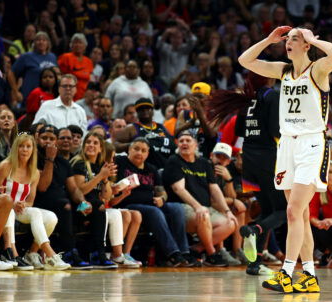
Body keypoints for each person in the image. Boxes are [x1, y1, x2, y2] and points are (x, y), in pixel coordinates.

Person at [238, 25, 332, 293]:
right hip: (286, 145)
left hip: (311, 143)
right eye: (289, 39)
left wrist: (312, 39)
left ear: (306, 45)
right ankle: (309, 275)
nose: (290, 42)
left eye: (295, 39)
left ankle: (286, 273)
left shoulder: (318, 69)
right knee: (302, 215)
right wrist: (268, 39)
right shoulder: (282, 71)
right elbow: (245, 60)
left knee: (293, 211)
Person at [206, 71, 287, 275]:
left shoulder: (247, 100)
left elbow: (241, 130)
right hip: (268, 159)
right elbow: (276, 130)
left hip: (248, 161)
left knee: (267, 212)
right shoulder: (273, 96)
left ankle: (254, 263)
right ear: (268, 78)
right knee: (283, 210)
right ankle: (255, 230)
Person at [114, 138, 196, 267]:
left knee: (177, 208)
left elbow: (162, 192)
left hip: (150, 204)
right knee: (154, 212)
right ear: (129, 150)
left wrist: (161, 199)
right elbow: (110, 148)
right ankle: (173, 254)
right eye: (136, 149)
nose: (139, 153)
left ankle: (184, 252)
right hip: (128, 204)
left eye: (143, 150)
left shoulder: (151, 169)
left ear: (147, 154)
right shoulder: (120, 162)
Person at [0, 133, 71, 270]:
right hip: (3, 208)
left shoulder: (34, 172)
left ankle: (32, 253)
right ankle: (44, 254)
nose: (25, 149)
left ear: (33, 150)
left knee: (51, 217)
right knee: (10, 213)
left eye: (28, 146)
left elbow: (30, 201)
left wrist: (24, 204)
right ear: (15, 149)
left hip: (20, 210)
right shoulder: (6, 166)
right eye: (21, 146)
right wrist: (11, 204)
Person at [163, 131, 237, 266]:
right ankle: (211, 254)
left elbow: (215, 189)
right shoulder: (174, 161)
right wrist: (197, 206)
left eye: (188, 140)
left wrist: (228, 211)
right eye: (181, 141)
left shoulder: (204, 163)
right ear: (177, 144)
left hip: (205, 208)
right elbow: (178, 189)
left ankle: (196, 249)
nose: (184, 143)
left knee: (231, 223)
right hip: (182, 207)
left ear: (195, 144)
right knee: (204, 215)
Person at [34, 125, 92, 269]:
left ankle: (98, 253)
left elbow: (73, 188)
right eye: (44, 138)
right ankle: (68, 252)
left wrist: (83, 202)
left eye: (52, 138)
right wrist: (49, 159)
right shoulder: (34, 158)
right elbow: (42, 187)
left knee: (94, 207)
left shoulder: (63, 161)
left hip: (60, 201)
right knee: (65, 205)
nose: (48, 141)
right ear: (37, 139)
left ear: (56, 142)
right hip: (39, 201)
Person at [70, 131, 117, 269]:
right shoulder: (79, 163)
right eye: (88, 142)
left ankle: (98, 253)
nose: (91, 145)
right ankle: (98, 253)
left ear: (101, 148)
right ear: (83, 146)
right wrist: (99, 176)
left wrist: (105, 179)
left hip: (94, 208)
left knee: (99, 204)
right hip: (78, 206)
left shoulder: (100, 166)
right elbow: (80, 190)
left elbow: (107, 196)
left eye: (95, 143)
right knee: (98, 205)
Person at [114, 98, 175, 169]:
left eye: (148, 108)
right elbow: (115, 145)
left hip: (165, 168)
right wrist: (133, 145)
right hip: (144, 170)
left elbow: (173, 144)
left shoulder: (161, 127)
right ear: (137, 112)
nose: (145, 111)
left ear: (153, 111)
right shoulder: (131, 128)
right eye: (141, 109)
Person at [57, 33, 93, 101]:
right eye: (75, 42)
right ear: (71, 45)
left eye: (80, 43)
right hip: (69, 96)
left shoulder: (89, 61)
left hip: (84, 98)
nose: (77, 45)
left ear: (85, 46)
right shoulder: (66, 57)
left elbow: (90, 79)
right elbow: (60, 76)